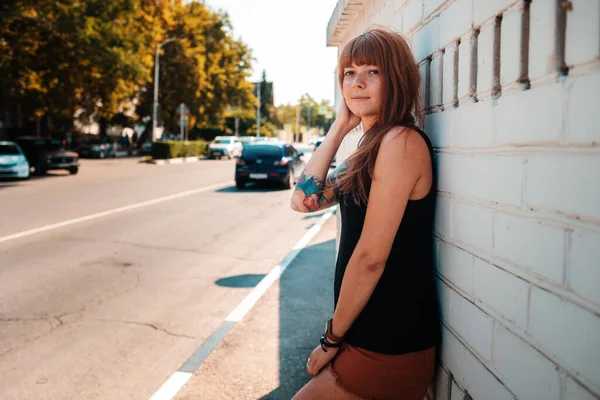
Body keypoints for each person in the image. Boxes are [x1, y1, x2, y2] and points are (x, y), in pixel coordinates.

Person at [290, 26, 441, 400]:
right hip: (366, 333)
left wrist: (331, 339)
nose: (357, 83)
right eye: (348, 73)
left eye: (372, 71)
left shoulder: (400, 142)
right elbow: (303, 200)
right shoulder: (368, 148)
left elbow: (371, 258)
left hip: (389, 339)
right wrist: (340, 126)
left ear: (397, 77)